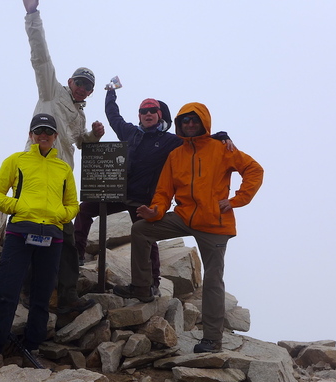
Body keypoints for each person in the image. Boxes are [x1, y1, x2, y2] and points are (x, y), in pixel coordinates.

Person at [113, 103, 263, 354]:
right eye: (185, 121)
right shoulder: (176, 155)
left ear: (204, 122)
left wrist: (236, 200)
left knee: (213, 280)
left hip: (215, 223)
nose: (190, 124)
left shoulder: (221, 148)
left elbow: (254, 170)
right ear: (179, 124)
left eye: (195, 120)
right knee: (141, 229)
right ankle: (142, 287)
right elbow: (163, 191)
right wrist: (156, 211)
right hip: (183, 216)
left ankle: (212, 340)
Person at [74, 88, 234, 295]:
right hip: (118, 193)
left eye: (152, 110)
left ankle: (153, 284)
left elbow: (196, 140)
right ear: (139, 115)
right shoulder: (130, 132)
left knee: (145, 234)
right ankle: (77, 255)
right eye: (143, 111)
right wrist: (110, 93)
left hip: (142, 199)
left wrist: (221, 136)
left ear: (159, 115)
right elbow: (113, 116)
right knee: (84, 210)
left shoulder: (170, 141)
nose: (147, 114)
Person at [23, 0, 104, 313]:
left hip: (61, 180)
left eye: (88, 86)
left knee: (67, 240)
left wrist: (93, 136)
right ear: (70, 81)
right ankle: (29, 294)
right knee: (32, 233)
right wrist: (32, 14)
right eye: (80, 82)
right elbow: (40, 55)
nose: (83, 88)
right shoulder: (51, 91)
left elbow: (77, 143)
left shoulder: (80, 116)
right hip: (34, 172)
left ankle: (67, 296)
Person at [0, 113, 79, 371]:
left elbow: (72, 204)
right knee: (7, 291)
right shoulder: (16, 160)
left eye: (48, 131)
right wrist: (16, 207)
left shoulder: (64, 169)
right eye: (39, 131)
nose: (43, 135)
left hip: (52, 235)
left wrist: (61, 215)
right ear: (31, 135)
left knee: (42, 295)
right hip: (20, 232)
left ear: (56, 136)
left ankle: (33, 348)